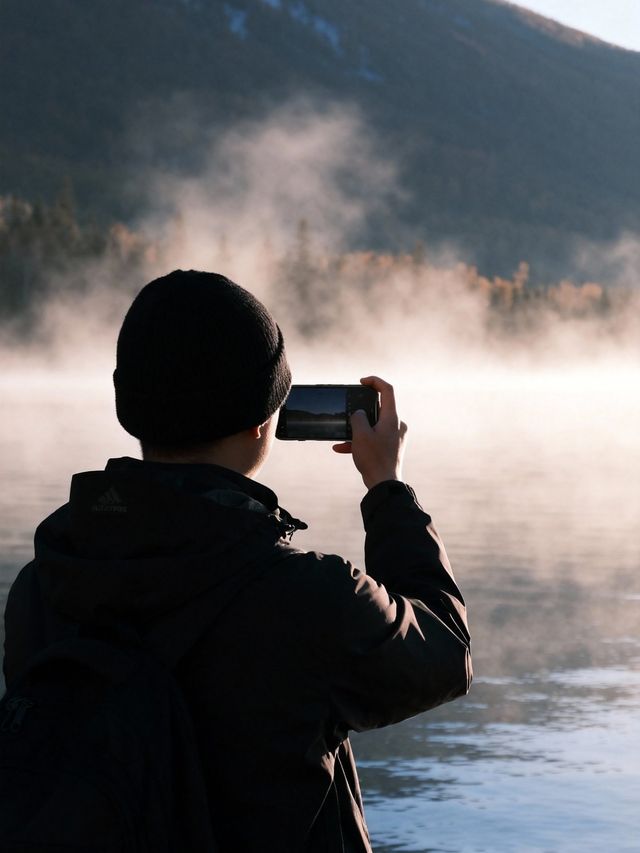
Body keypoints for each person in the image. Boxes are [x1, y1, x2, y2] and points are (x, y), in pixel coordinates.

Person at [3, 270, 471, 852]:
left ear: (131, 407)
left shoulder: (43, 585)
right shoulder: (309, 598)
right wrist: (387, 490)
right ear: (262, 420)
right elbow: (446, 653)